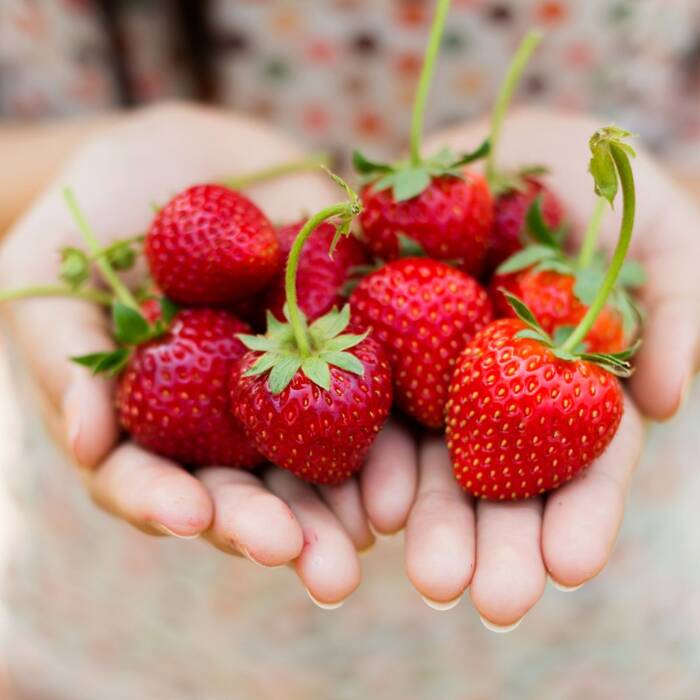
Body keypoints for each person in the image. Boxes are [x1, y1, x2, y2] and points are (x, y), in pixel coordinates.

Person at [1, 3, 700, 699]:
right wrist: (93, 162)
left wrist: (668, 201)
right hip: (141, 603)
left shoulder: (484, 314)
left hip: (582, 625)